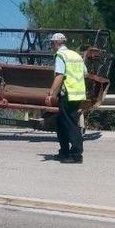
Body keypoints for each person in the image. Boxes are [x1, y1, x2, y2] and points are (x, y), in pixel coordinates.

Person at [44, 33, 87, 163]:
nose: (51, 46)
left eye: (52, 43)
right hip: (77, 94)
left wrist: (51, 93)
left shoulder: (60, 55)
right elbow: (85, 73)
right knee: (61, 123)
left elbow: (59, 76)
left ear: (57, 43)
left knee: (70, 124)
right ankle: (64, 152)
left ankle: (76, 155)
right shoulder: (75, 55)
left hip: (68, 94)